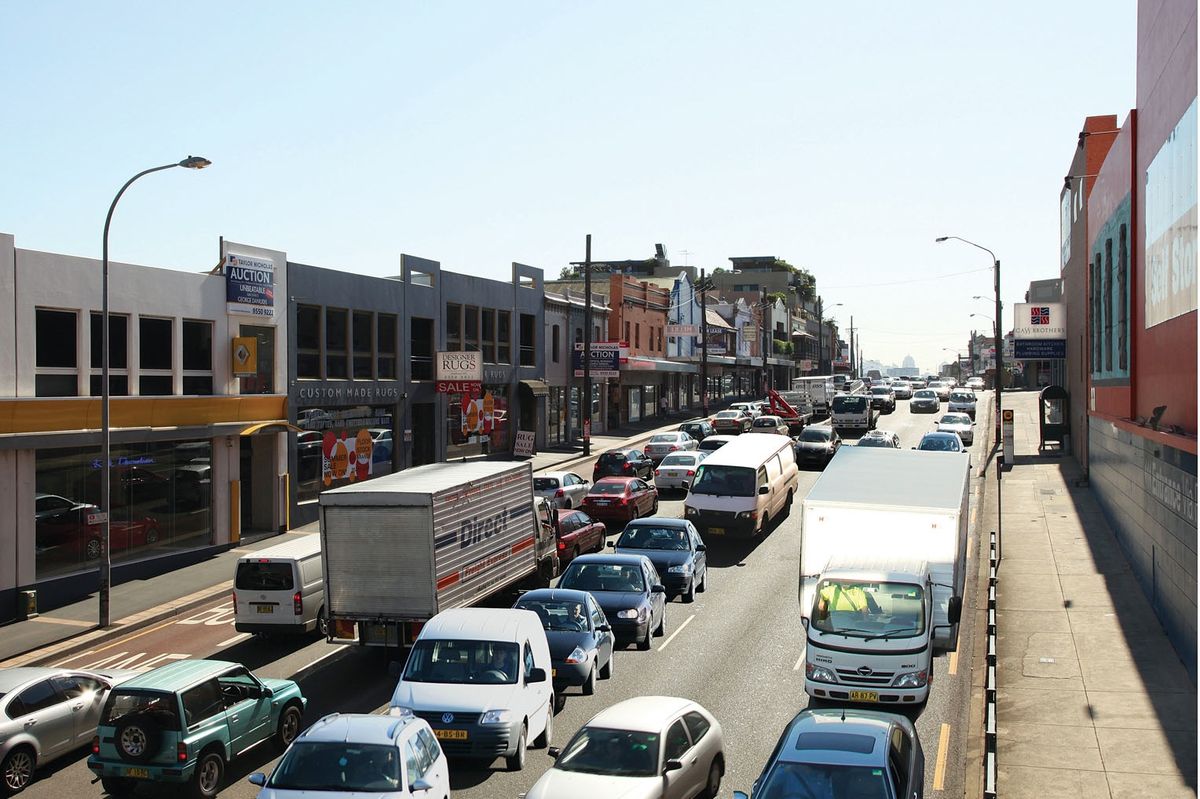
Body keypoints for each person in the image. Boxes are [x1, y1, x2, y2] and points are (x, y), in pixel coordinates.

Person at [815, 581, 881, 618]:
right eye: (843, 580)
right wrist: (821, 602)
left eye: (848, 581)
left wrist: (865, 620)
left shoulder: (858, 591)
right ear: (839, 580)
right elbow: (820, 598)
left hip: (852, 621)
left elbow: (864, 608)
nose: (845, 582)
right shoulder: (831, 589)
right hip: (833, 620)